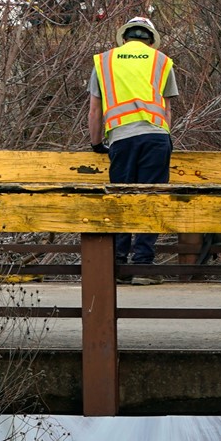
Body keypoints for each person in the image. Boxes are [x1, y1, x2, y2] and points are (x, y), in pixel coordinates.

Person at [88, 16, 178, 285]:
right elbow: (168, 110)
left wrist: (96, 144)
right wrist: (164, 136)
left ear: (124, 38)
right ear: (150, 40)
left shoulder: (103, 62)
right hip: (156, 138)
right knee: (151, 199)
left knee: (122, 199)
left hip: (121, 139)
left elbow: (95, 110)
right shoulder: (161, 61)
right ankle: (143, 266)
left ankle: (117, 264)